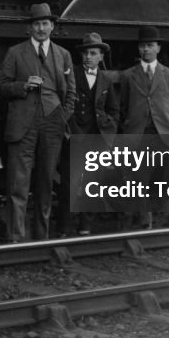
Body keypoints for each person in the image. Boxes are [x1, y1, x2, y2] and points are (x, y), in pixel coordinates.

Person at [0, 3, 76, 242]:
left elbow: (71, 93)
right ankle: (16, 237)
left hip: (52, 124)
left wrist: (62, 118)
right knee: (18, 183)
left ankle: (41, 237)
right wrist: (23, 86)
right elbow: (2, 87)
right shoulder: (15, 52)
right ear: (29, 28)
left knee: (45, 182)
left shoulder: (63, 55)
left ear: (52, 26)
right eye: (36, 24)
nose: (41, 28)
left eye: (45, 24)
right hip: (23, 124)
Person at [59, 32, 120, 236]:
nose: (88, 57)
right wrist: (70, 129)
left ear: (101, 57)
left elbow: (114, 109)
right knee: (70, 183)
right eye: (85, 53)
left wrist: (108, 129)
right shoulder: (72, 75)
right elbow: (63, 104)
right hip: (75, 135)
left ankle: (86, 225)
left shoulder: (105, 80)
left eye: (93, 53)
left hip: (97, 137)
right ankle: (65, 227)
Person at [120, 25, 169, 227]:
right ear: (139, 49)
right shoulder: (129, 75)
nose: (146, 49)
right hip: (139, 132)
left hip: (164, 131)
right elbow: (123, 104)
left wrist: (165, 121)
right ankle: (145, 219)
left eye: (150, 45)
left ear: (158, 48)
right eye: (143, 46)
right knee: (140, 176)